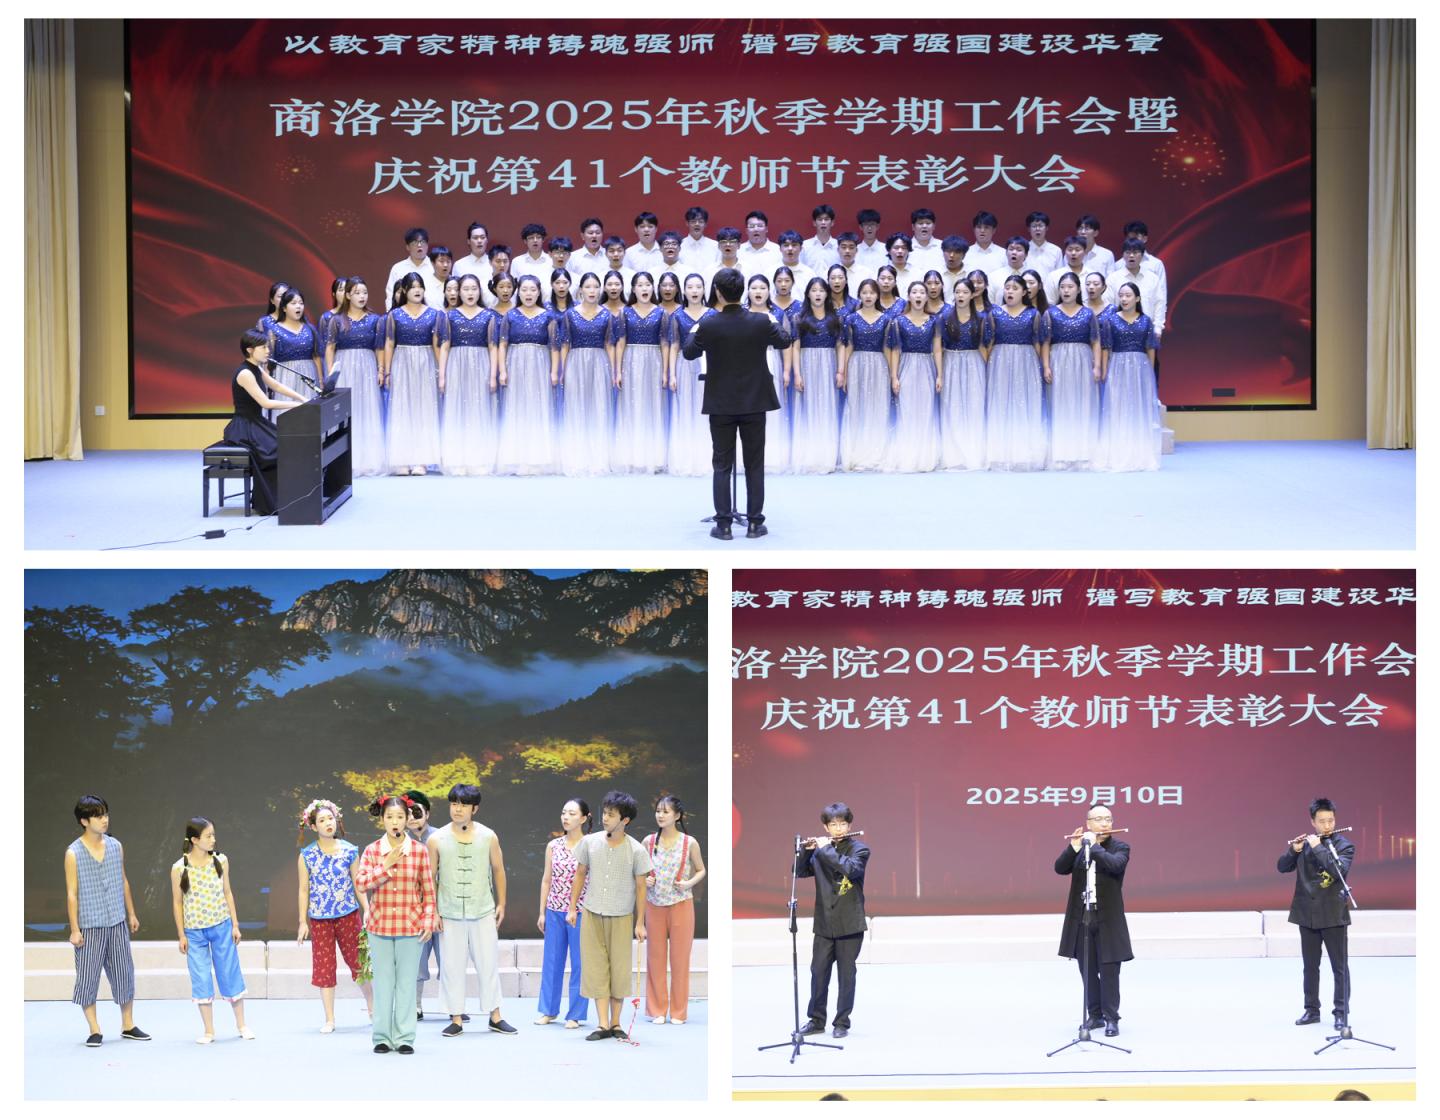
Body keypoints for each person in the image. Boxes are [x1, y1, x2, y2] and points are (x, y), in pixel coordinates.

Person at [680, 268, 790, 539]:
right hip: (755, 402)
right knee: (755, 465)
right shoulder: (760, 321)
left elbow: (689, 352)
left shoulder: (708, 324)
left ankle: (724, 526)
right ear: (742, 292)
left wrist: (696, 329)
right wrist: (771, 322)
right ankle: (754, 524)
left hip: (721, 404)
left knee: (722, 465)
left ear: (717, 292)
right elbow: (784, 340)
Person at [429, 784, 516, 1038]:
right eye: (454, 803)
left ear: (474, 809)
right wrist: (432, 910)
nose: (457, 809)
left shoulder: (488, 836)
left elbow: (498, 869)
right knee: (451, 967)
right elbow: (430, 877)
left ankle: (495, 1016)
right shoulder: (436, 839)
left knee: (488, 964)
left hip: (482, 909)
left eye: (463, 805)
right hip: (449, 911)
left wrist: (501, 903)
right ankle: (455, 1018)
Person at [568, 790, 653, 1041]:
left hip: (621, 915)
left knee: (619, 970)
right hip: (592, 912)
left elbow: (641, 887)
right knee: (595, 968)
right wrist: (572, 908)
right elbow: (580, 874)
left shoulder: (636, 850)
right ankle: (602, 1024)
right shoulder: (589, 842)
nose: (605, 818)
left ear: (624, 820)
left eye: (611, 814)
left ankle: (616, 1023)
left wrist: (640, 923)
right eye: (604, 813)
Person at [355, 794, 437, 1055]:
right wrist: (385, 865)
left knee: (406, 984)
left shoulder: (419, 851)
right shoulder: (372, 851)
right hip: (379, 927)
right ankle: (381, 1036)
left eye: (400, 817)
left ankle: (404, 1037)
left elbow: (428, 891)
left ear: (407, 819)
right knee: (383, 983)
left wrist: (428, 920)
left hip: (410, 927)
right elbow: (361, 884)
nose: (395, 821)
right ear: (382, 819)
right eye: (389, 817)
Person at [65, 795, 148, 1048]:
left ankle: (128, 1024)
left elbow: (123, 880)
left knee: (124, 973)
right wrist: (75, 929)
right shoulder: (73, 853)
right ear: (84, 821)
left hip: (117, 921)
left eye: (106, 814)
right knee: (88, 977)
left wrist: (131, 913)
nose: (104, 820)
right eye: (98, 816)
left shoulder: (115, 846)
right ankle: (94, 1029)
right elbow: (72, 893)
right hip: (90, 926)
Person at [171, 817, 252, 1043]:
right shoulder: (179, 868)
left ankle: (242, 1025)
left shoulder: (220, 861)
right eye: (208, 836)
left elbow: (228, 892)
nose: (213, 839)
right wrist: (181, 934)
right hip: (194, 932)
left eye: (213, 835)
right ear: (194, 840)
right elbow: (177, 902)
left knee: (229, 973)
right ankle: (209, 1030)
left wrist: (235, 925)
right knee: (201, 978)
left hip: (221, 926)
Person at [1278, 798, 1356, 1031]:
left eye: (1330, 820)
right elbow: (1282, 867)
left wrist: (1318, 847)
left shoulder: (1344, 846)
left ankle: (1341, 1013)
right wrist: (1293, 850)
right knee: (1310, 967)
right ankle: (1311, 1010)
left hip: (1333, 914)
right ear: (1312, 822)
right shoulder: (1305, 843)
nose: (1327, 825)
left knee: (1339, 967)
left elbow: (1338, 869)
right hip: (1307, 914)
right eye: (1322, 821)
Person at [1055, 805, 1132, 1037]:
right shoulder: (1081, 848)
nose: (1105, 823)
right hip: (1083, 919)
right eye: (1099, 819)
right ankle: (1095, 1015)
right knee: (1087, 970)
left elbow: (1115, 865)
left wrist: (1094, 846)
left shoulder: (1120, 847)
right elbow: (1060, 868)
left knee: (1109, 971)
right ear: (1088, 823)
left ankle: (1111, 1018)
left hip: (1108, 919)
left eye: (1108, 819)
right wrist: (1074, 847)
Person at [296, 799, 372, 1032]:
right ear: (313, 826)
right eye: (322, 820)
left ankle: (373, 1008)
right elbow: (303, 889)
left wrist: (367, 908)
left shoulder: (350, 850)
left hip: (348, 915)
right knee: (324, 968)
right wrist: (302, 921)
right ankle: (329, 1019)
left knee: (358, 963)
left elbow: (358, 883)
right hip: (320, 919)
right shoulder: (307, 855)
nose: (328, 823)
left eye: (330, 818)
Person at [798, 802, 870, 1039]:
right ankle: (816, 1021)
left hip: (850, 923)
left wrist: (825, 848)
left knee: (846, 976)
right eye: (833, 825)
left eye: (842, 824)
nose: (838, 829)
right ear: (826, 827)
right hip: (824, 923)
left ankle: (842, 1023)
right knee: (818, 974)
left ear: (849, 825)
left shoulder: (860, 849)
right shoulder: (821, 850)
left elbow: (851, 869)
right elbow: (800, 872)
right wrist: (807, 851)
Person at [223, 328, 306, 514]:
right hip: (244, 427)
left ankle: (285, 496)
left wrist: (301, 397)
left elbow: (276, 385)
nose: (268, 350)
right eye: (263, 347)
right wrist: (297, 405)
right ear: (250, 350)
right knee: (276, 449)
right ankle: (270, 501)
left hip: (255, 422)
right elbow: (265, 403)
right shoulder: (245, 373)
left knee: (287, 442)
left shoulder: (256, 368)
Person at [642, 794, 706, 1025]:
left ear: (677, 816)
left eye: (665, 811)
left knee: (680, 960)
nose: (660, 815)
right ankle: (657, 1010)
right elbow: (640, 871)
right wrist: (646, 879)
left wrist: (689, 883)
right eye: (658, 811)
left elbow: (701, 869)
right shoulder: (648, 842)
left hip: (681, 905)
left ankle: (678, 1011)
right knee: (655, 959)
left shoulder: (689, 842)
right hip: (654, 905)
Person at [536, 798, 593, 1029]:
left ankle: (575, 1014)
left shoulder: (590, 845)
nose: (566, 817)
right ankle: (548, 1010)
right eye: (563, 813)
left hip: (581, 912)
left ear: (584, 818)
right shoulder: (554, 845)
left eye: (571, 813)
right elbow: (546, 879)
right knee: (552, 961)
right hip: (554, 910)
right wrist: (542, 912)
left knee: (580, 963)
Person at [1095, 282, 1163, 472]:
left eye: (1128, 295)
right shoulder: (1111, 320)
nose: (1124, 299)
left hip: (1140, 369)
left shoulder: (1146, 321)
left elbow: (1150, 348)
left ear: (1137, 298)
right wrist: (1105, 371)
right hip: (1118, 367)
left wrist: (1150, 373)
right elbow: (1106, 348)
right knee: (1118, 407)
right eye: (1121, 295)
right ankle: (1118, 451)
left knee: (1138, 408)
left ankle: (1139, 453)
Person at [496, 277, 561, 475]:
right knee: (517, 408)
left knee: (538, 408)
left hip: (540, 365)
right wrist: (502, 370)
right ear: (519, 292)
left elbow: (555, 346)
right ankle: (517, 459)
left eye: (532, 290)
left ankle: (538, 459)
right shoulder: (511, 315)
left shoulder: (548, 316)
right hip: (515, 364)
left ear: (539, 292)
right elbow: (502, 344)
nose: (528, 294)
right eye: (524, 290)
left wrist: (554, 372)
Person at [438, 275, 501, 476]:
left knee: (478, 409)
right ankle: (457, 460)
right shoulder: (450, 316)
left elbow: (493, 347)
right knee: (457, 409)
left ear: (479, 291)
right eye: (465, 289)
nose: (470, 293)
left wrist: (493, 375)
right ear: (459, 292)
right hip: (456, 365)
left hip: (481, 364)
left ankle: (479, 459)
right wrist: (442, 375)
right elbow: (444, 347)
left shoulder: (488, 316)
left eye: (474, 288)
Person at [984, 277, 1048, 471]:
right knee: (1000, 403)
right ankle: (1000, 453)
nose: (1010, 291)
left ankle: (1024, 453)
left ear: (1024, 292)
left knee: (1025, 403)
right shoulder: (995, 313)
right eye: (1007, 288)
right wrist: (988, 367)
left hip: (1026, 362)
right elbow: (988, 343)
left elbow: (1038, 342)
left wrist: (1041, 367)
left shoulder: (1033, 314)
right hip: (1000, 361)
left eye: (1015, 288)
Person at [325, 278, 387, 476]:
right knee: (347, 412)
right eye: (357, 293)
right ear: (348, 295)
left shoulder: (375, 319)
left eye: (365, 293)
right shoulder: (336, 320)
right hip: (345, 367)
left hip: (367, 367)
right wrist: (331, 373)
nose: (362, 297)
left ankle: (369, 460)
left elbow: (379, 347)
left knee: (368, 409)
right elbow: (330, 348)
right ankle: (345, 462)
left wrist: (380, 370)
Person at [383, 274, 443, 476]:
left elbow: (436, 345)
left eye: (420, 287)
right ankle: (402, 459)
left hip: (426, 363)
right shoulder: (395, 315)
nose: (417, 290)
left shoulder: (434, 314)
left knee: (424, 409)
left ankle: (422, 461)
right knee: (402, 408)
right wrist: (387, 371)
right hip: (402, 362)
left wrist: (440, 371)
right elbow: (389, 343)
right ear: (404, 291)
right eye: (413, 287)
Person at [557, 273, 616, 476]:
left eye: (595, 287)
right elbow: (565, 344)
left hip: (599, 362)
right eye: (588, 287)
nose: (592, 291)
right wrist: (563, 370)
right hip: (575, 362)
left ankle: (598, 459)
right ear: (580, 290)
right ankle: (577, 458)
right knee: (577, 408)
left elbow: (609, 344)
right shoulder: (570, 315)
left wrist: (613, 370)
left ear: (600, 290)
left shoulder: (607, 315)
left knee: (598, 408)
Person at [1043, 273, 1102, 471]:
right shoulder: (1050, 313)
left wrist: (1097, 366)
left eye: (1070, 287)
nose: (1066, 290)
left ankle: (1082, 452)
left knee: (1082, 404)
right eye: (1063, 287)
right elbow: (1045, 342)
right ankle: (1061, 453)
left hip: (1082, 361)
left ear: (1078, 289)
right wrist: (1046, 366)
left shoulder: (1088, 314)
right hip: (1058, 361)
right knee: (1059, 405)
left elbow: (1095, 341)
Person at [882, 282, 942, 472]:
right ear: (908, 296)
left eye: (922, 292)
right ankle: (906, 456)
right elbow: (894, 350)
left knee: (926, 411)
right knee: (906, 410)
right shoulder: (898, 321)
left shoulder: (934, 321)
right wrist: (894, 376)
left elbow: (938, 350)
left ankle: (924, 457)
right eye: (914, 292)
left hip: (927, 367)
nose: (918, 295)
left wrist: (940, 375)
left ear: (926, 297)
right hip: (906, 366)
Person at [612, 272, 668, 473]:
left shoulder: (661, 313)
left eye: (647, 284)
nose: (644, 288)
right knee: (631, 406)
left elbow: (664, 343)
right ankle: (631, 457)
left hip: (654, 361)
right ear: (633, 289)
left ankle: (653, 457)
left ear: (653, 288)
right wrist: (618, 370)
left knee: (653, 406)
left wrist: (666, 371)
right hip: (631, 361)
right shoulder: (625, 312)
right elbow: (620, 343)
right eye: (640, 285)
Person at [789, 278, 844, 475]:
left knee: (827, 407)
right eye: (814, 290)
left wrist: (840, 371)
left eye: (821, 290)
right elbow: (795, 347)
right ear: (808, 294)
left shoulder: (836, 318)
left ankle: (826, 456)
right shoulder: (799, 318)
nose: (818, 294)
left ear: (827, 294)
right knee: (808, 408)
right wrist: (797, 374)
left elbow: (840, 345)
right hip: (807, 364)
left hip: (828, 365)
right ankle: (808, 456)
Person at [663, 273, 714, 477]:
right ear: (684, 291)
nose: (694, 291)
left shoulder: (712, 314)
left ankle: (707, 459)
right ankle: (686, 459)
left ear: (704, 290)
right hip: (684, 364)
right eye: (690, 287)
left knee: (707, 410)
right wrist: (672, 374)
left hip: (709, 365)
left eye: (698, 287)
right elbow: (674, 345)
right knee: (685, 409)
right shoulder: (677, 315)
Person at [939, 278, 991, 471]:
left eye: (965, 292)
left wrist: (987, 370)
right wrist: (940, 373)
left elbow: (984, 347)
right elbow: (939, 347)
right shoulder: (944, 317)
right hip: (951, 362)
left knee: (974, 407)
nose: (960, 295)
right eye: (957, 292)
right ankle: (953, 456)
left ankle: (974, 453)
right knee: (951, 408)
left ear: (972, 295)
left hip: (974, 362)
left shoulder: (981, 318)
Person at [838, 280, 891, 472]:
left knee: (878, 407)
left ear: (877, 295)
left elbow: (887, 347)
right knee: (856, 407)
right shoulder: (851, 318)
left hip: (879, 365)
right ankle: (856, 453)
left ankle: (876, 454)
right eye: (864, 292)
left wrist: (892, 374)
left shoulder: (886, 319)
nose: (868, 296)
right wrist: (844, 373)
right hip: (857, 365)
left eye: (872, 293)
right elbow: (848, 346)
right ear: (859, 295)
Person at [745, 274, 791, 477]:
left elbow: (787, 343)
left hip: (771, 360)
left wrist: (787, 370)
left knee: (771, 409)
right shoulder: (742, 314)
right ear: (747, 291)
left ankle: (772, 458)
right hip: (746, 364)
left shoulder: (777, 314)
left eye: (762, 288)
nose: (758, 292)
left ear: (769, 291)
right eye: (754, 288)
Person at [402, 791, 440, 1018]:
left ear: (427, 813)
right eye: (407, 813)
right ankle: (415, 1006)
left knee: (449, 960)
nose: (412, 818)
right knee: (416, 961)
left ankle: (453, 1006)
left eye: (417, 812)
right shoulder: (400, 842)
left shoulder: (441, 838)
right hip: (414, 911)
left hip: (442, 909)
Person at [266, 287, 323, 397]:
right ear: (284, 308)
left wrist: (320, 381)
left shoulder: (310, 329)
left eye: (301, 303)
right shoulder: (274, 331)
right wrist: (267, 384)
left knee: (308, 405)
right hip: (284, 377)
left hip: (308, 376)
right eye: (293, 303)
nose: (298, 306)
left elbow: (316, 356)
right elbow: (268, 360)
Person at [1105, 239, 1167, 338]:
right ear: (1123, 255)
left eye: (1135, 252)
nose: (1131, 256)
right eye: (1128, 252)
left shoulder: (1152, 278)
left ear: (1142, 255)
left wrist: (1158, 328)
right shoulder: (1113, 278)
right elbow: (1108, 305)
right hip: (1119, 332)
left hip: (1147, 331)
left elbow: (1160, 303)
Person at [385, 227, 435, 309]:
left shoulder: (435, 266)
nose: (419, 245)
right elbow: (391, 295)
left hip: (433, 314)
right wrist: (390, 314)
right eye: (415, 242)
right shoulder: (398, 268)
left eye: (422, 242)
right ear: (407, 247)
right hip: (404, 315)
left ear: (427, 245)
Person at [738, 210, 783, 279]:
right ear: (746, 230)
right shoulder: (738, 250)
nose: (756, 229)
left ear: (766, 229)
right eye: (752, 226)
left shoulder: (778, 250)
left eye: (760, 226)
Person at [677, 206, 721, 275]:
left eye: (700, 221)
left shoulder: (715, 246)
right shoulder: (679, 246)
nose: (697, 224)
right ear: (687, 223)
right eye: (693, 221)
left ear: (705, 224)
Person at [453, 221, 494, 291]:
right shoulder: (459, 265)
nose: (479, 241)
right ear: (468, 241)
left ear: (487, 240)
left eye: (482, 237)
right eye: (475, 238)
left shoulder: (495, 264)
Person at [802, 204, 841, 272]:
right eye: (820, 219)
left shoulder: (839, 246)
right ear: (814, 223)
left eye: (826, 219)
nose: (823, 222)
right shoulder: (805, 246)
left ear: (832, 223)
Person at [624, 211, 665, 275]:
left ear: (656, 229)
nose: (646, 230)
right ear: (636, 229)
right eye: (642, 226)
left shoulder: (664, 251)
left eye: (650, 226)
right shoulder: (629, 253)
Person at [908, 207, 944, 273]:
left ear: (934, 226)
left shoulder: (943, 246)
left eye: (928, 223)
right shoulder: (905, 247)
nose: (924, 226)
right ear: (913, 227)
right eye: (920, 223)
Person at [853, 208, 888, 274]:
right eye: (866, 224)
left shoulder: (886, 249)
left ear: (877, 226)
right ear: (861, 227)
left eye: (872, 224)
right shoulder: (855, 250)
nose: (869, 228)